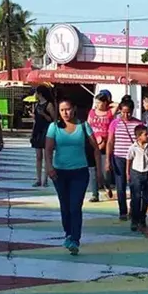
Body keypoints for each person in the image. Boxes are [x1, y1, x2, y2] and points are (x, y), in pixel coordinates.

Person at [45, 99, 99, 255]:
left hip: (80, 172)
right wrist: (49, 167)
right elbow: (48, 149)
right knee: (65, 205)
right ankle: (68, 234)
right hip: (59, 172)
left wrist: (99, 171)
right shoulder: (53, 127)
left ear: (74, 109)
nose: (65, 113)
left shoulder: (83, 126)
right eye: (62, 110)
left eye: (68, 109)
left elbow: (95, 147)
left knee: (75, 206)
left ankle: (75, 239)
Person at [105, 98, 140, 221]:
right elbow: (110, 142)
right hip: (118, 157)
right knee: (120, 186)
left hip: (135, 159)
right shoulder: (115, 123)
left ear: (133, 111)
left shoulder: (139, 124)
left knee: (134, 185)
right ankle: (122, 211)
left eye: (128, 112)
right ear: (119, 111)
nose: (126, 115)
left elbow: (143, 142)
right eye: (123, 112)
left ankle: (133, 209)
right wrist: (108, 160)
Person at [87, 90, 115, 202]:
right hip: (93, 143)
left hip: (105, 144)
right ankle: (95, 193)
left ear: (105, 103)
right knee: (92, 169)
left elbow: (117, 105)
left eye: (99, 102)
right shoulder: (92, 112)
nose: (97, 105)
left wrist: (109, 103)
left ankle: (106, 185)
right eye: (96, 102)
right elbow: (88, 125)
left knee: (104, 170)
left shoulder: (109, 113)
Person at [30, 86, 56, 187]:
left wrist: (44, 114)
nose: (35, 95)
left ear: (40, 93)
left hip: (46, 130)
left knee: (47, 156)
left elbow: (53, 119)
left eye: (36, 93)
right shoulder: (37, 104)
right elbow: (35, 120)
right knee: (38, 156)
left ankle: (45, 179)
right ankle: (38, 179)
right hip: (38, 130)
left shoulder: (49, 105)